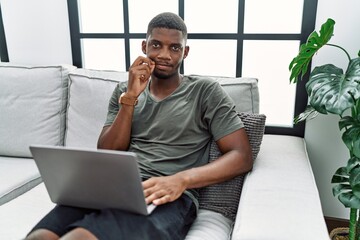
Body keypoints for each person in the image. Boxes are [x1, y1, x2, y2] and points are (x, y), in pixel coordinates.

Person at [26, 12, 252, 240]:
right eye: (156, 45)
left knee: (80, 238)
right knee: (40, 236)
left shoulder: (205, 91)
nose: (164, 55)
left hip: (169, 195)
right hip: (114, 187)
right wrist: (131, 97)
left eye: (174, 48)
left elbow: (241, 156)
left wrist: (181, 179)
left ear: (185, 52)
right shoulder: (124, 91)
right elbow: (107, 152)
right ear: (144, 46)